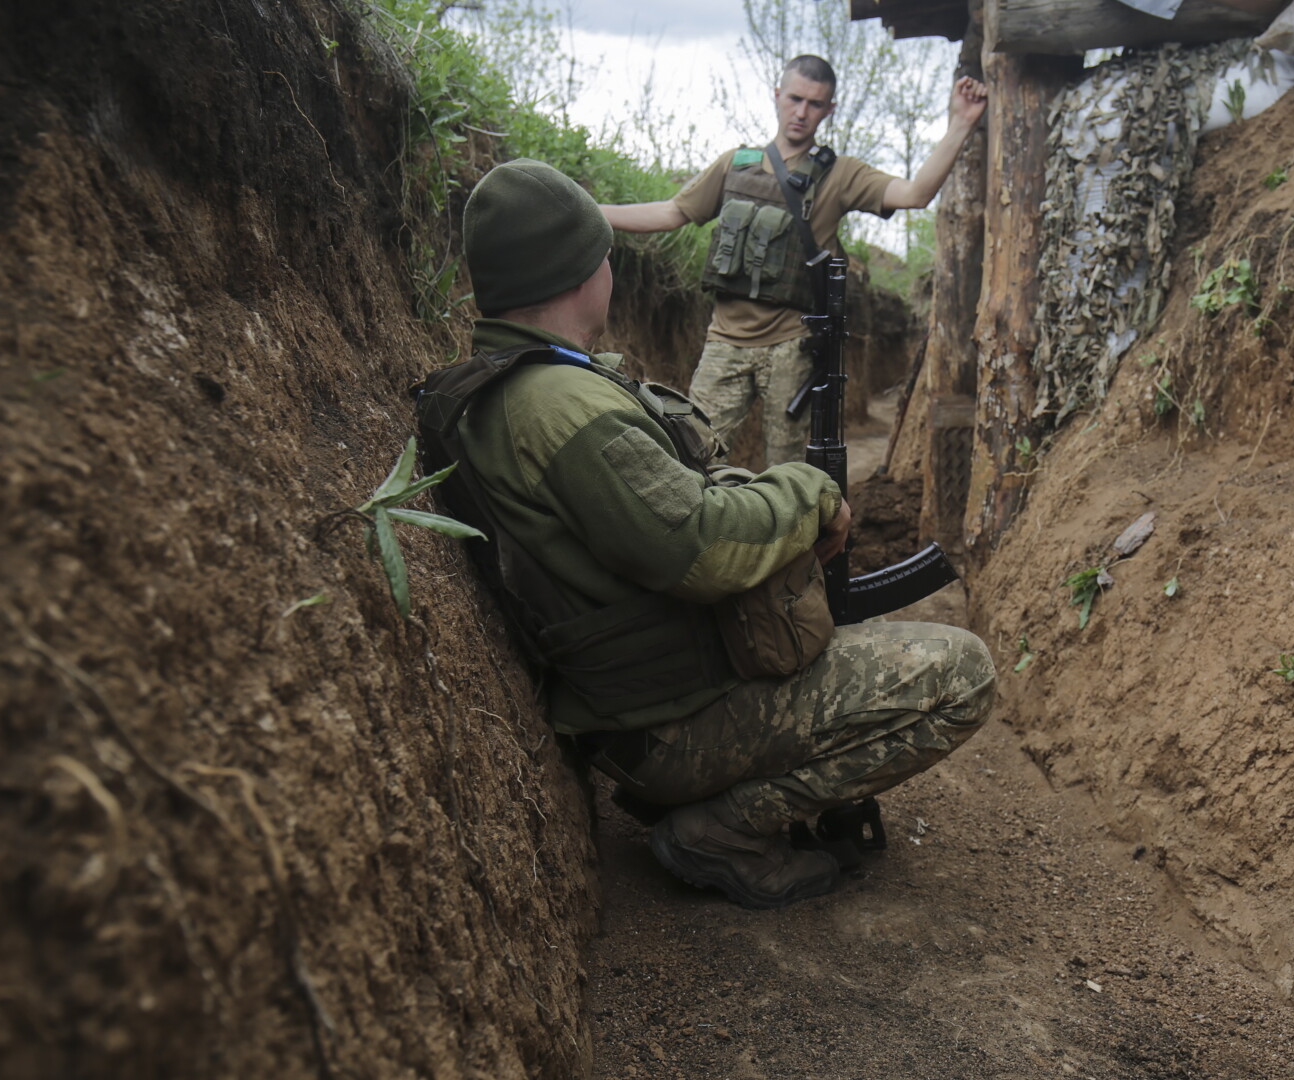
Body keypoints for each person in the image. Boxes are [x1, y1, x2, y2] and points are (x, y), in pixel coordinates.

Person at [416, 158, 995, 910]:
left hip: (647, 707)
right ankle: (722, 828)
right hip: (675, 725)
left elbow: (668, 502)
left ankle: (704, 801)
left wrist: (761, 497)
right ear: (585, 271)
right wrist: (809, 490)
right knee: (963, 673)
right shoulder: (561, 407)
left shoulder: (524, 386)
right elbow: (700, 546)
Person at [602, 55, 989, 466]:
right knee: (690, 457)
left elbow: (915, 194)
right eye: (795, 99)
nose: (802, 112)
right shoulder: (737, 164)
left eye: (815, 104)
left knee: (787, 473)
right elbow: (672, 212)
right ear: (777, 96)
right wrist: (589, 209)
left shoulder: (841, 175)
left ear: (829, 110)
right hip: (724, 343)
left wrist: (960, 124)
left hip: (792, 346)